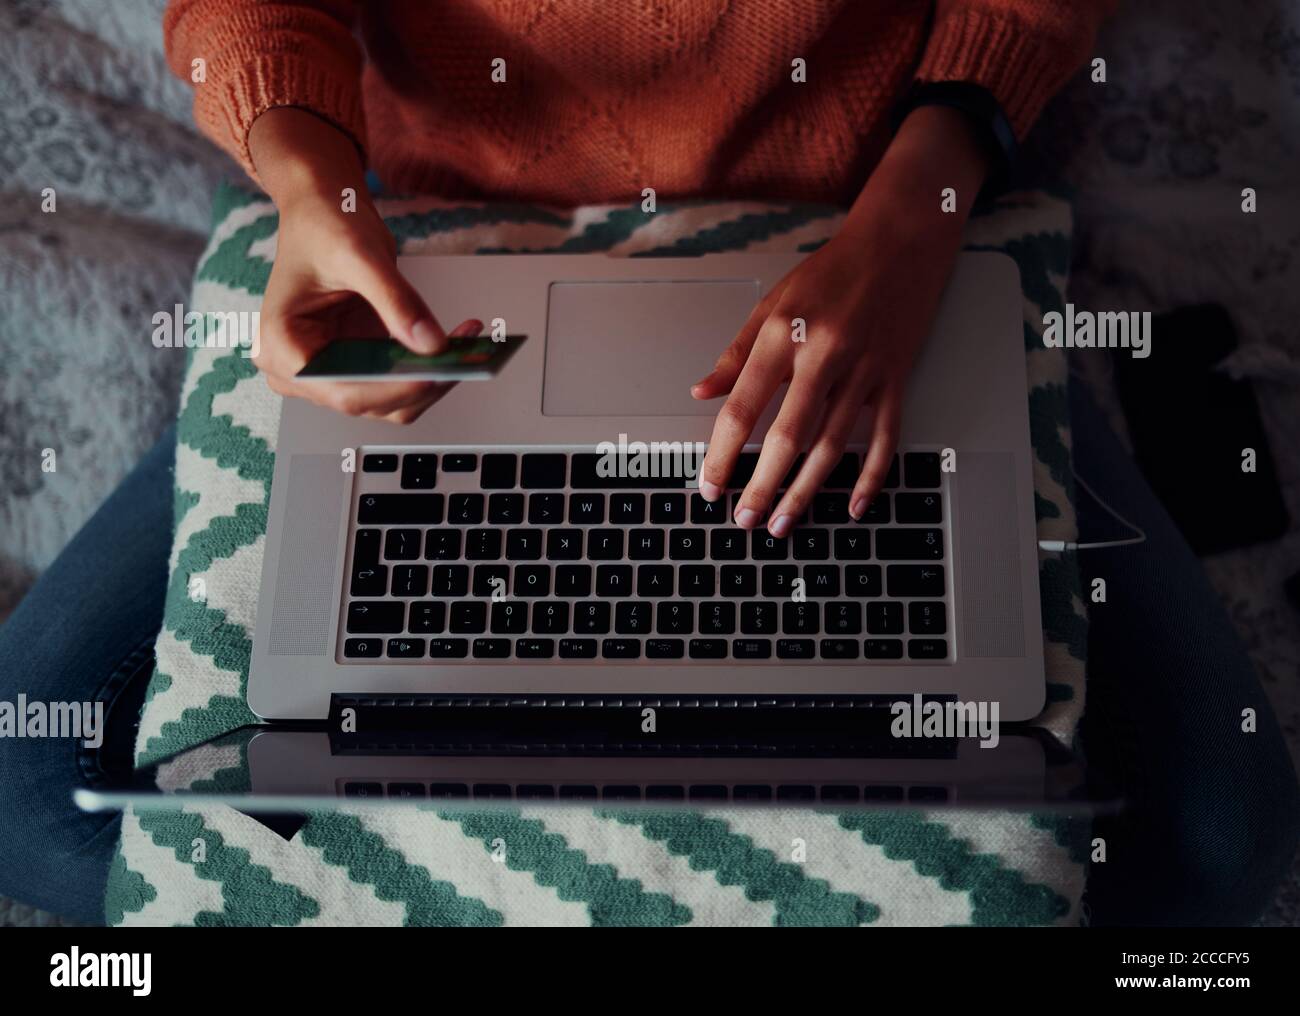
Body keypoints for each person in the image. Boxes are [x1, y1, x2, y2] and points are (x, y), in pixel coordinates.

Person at [0, 0, 1294, 925]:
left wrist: (917, 220)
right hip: (437, 282)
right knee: (24, 786)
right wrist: (307, 185)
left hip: (887, 243)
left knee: (1222, 841)